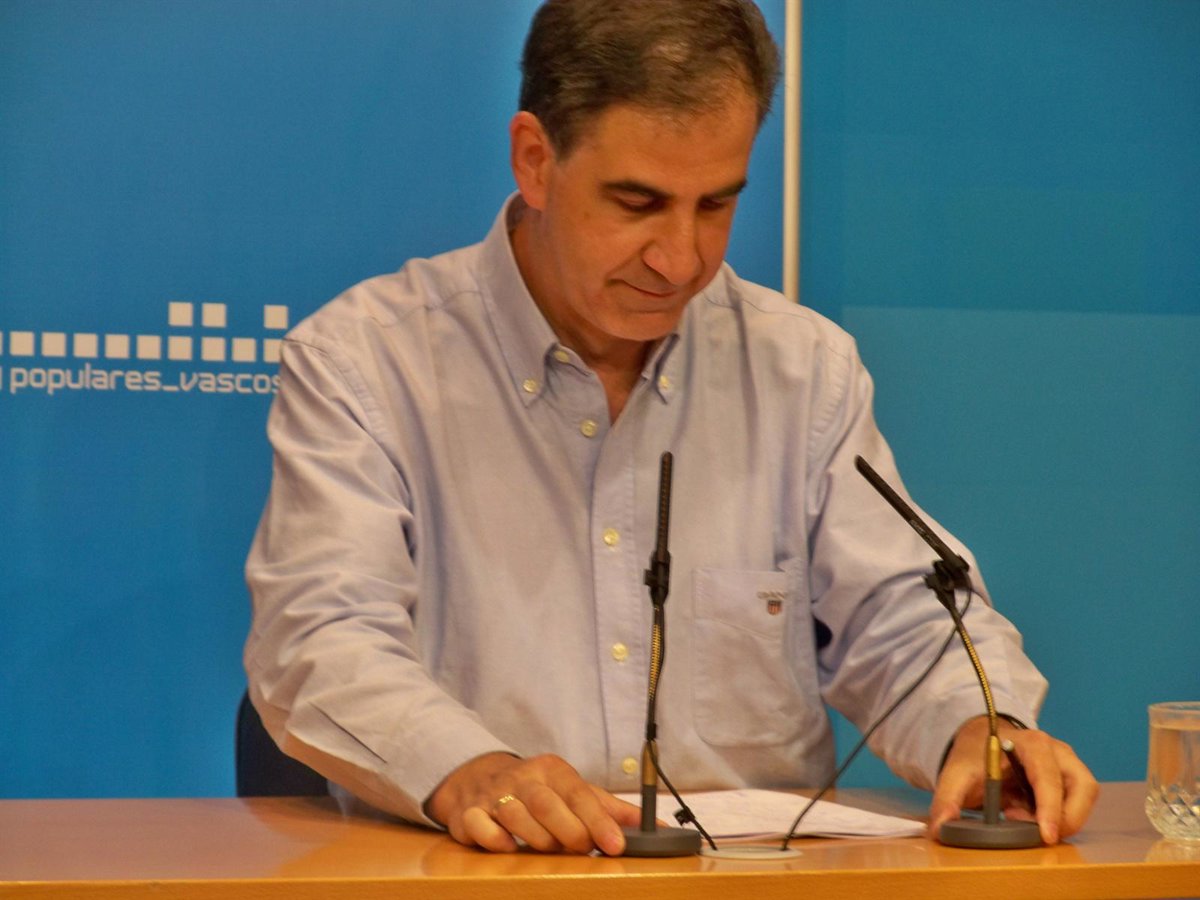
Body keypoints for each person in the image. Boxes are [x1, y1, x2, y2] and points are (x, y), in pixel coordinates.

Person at [245, 0, 1097, 856]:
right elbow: (320, 641)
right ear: (535, 160)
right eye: (638, 203)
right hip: (481, 871)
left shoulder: (803, 371)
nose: (680, 259)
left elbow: (898, 618)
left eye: (716, 205)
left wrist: (976, 728)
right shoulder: (367, 364)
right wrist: (471, 770)